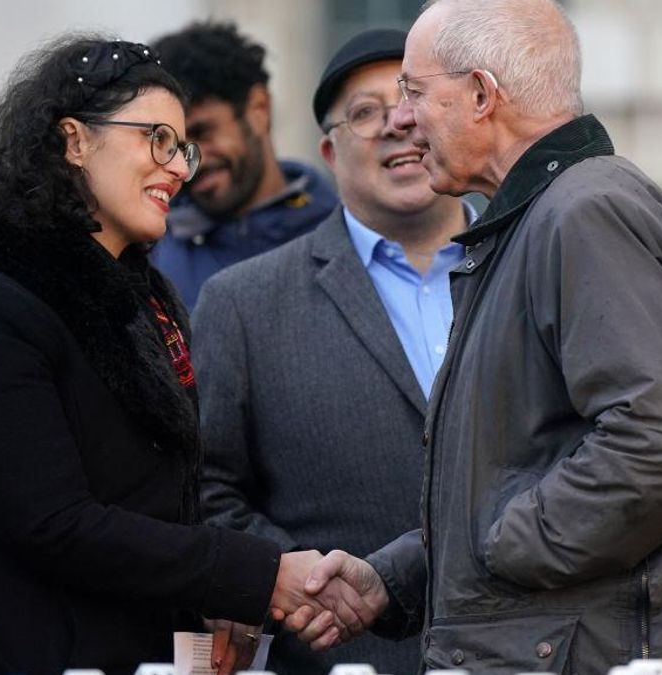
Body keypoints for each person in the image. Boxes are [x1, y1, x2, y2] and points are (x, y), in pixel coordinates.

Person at [281, 1, 662, 673]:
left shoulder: (584, 212)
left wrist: (507, 545)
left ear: (482, 95)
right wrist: (400, 576)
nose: (401, 118)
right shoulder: (539, 220)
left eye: (413, 91)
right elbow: (532, 463)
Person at [0, 38, 355, 675]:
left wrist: (220, 598)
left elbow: (162, 507)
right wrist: (256, 574)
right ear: (74, 141)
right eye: (156, 140)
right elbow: (54, 525)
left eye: (184, 149)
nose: (178, 169)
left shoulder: (144, 300)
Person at [193, 28, 473, 675]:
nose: (397, 124)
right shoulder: (245, 302)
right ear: (328, 149)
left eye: (412, 99)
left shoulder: (531, 270)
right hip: (342, 655)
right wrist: (313, 586)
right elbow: (206, 488)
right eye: (366, 112)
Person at [147, 21, 339, 308]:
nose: (189, 164)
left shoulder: (344, 232)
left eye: (202, 132)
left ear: (259, 109)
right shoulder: (150, 253)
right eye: (175, 146)